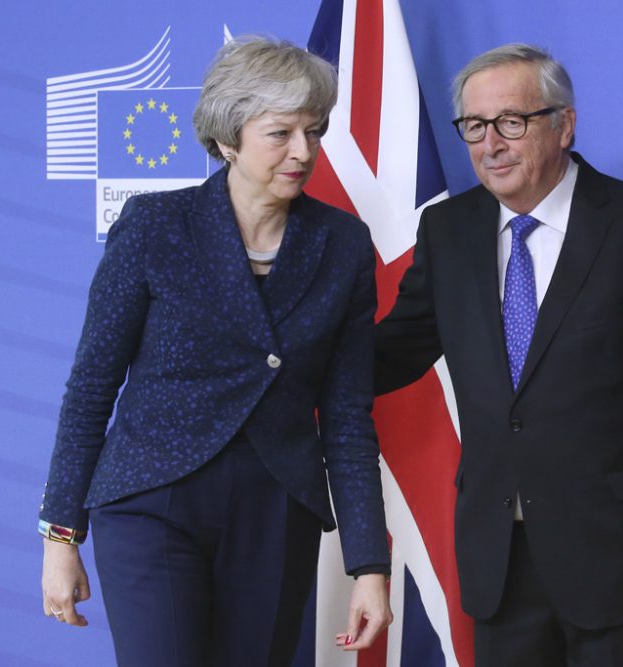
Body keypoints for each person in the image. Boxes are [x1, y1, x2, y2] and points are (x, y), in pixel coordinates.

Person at [375, 44, 623, 666]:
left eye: (512, 122)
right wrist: (281, 346)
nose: (492, 144)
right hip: (500, 565)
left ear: (564, 124)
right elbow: (392, 352)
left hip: (620, 561)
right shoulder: (449, 231)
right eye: (475, 127)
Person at [38, 36, 392, 666]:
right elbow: (92, 388)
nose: (303, 152)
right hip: (151, 501)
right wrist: (61, 537)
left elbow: (346, 419)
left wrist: (370, 565)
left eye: (314, 131)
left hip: (275, 509)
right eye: (280, 133)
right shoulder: (154, 226)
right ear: (229, 139)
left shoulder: (342, 244)